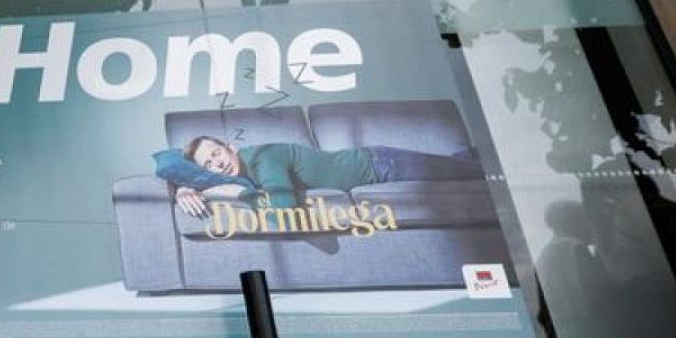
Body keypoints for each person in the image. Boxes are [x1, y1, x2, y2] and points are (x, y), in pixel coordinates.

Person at [163, 136, 483, 217]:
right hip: (375, 167)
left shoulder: (263, 158)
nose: (217, 164)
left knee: (478, 174)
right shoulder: (240, 171)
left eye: (217, 153)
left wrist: (240, 196)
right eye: (208, 163)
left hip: (380, 165)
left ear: (231, 147)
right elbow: (196, 180)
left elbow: (284, 210)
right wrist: (181, 190)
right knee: (463, 165)